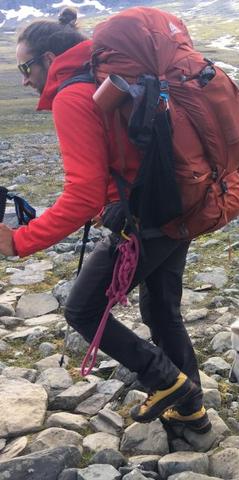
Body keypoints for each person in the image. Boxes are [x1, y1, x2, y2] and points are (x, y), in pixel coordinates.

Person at [0, 7, 211, 433]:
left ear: (46, 59)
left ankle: (170, 384)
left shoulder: (73, 96)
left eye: (25, 67)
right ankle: (193, 414)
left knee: (82, 309)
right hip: (180, 205)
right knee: (163, 312)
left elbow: (82, 196)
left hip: (142, 221)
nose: (23, 79)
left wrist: (19, 241)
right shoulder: (107, 79)